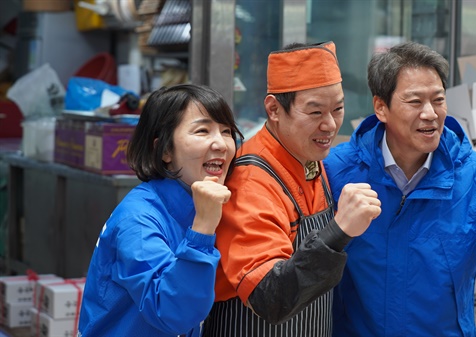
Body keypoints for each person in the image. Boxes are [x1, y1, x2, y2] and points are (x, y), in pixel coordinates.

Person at [323, 42, 476, 337]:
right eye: (415, 102)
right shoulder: (339, 171)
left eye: (438, 100)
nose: (430, 113)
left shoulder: (474, 174)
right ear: (381, 107)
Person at [202, 41, 381, 337]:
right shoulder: (251, 180)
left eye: (338, 109)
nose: (330, 125)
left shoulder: (308, 155)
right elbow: (269, 298)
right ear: (274, 109)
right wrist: (339, 230)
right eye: (315, 112)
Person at [78, 84, 243, 337]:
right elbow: (173, 312)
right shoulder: (138, 220)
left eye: (226, 131)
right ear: (164, 150)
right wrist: (203, 227)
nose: (221, 144)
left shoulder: (195, 199)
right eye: (202, 130)